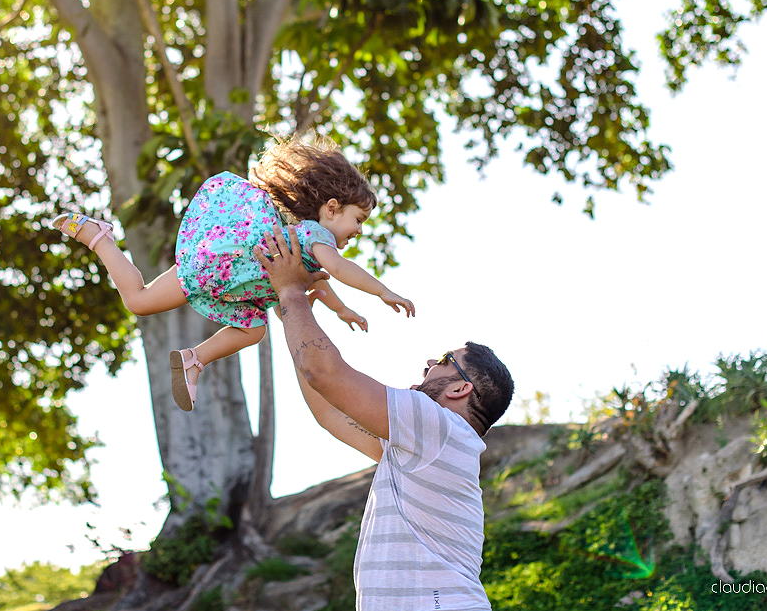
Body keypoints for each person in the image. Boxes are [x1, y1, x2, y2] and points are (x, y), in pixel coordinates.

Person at [51, 138, 415, 412]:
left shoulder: (302, 242)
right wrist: (383, 292)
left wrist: (341, 310)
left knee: (139, 301)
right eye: (359, 220)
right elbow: (337, 268)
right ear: (332, 208)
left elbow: (320, 280)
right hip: (219, 269)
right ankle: (197, 358)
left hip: (209, 265)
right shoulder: (315, 234)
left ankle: (100, 239)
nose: (359, 231)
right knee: (253, 330)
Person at [255, 226, 514, 611]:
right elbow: (328, 408)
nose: (429, 362)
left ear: (461, 389)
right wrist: (289, 311)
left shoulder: (438, 426)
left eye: (444, 361)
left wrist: (292, 291)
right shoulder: (427, 446)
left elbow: (324, 373)